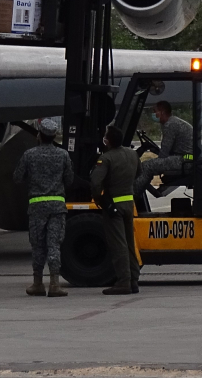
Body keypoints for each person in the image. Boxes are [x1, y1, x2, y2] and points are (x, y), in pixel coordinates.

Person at [12, 118, 74, 297]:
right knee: (54, 245)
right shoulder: (63, 155)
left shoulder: (29, 155)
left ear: (39, 135)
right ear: (54, 136)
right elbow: (70, 179)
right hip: (57, 206)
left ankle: (37, 283)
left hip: (37, 207)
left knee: (38, 246)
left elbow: (17, 177)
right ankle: (54, 284)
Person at [90, 126, 140, 295]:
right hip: (129, 203)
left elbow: (95, 182)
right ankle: (133, 280)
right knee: (129, 243)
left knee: (119, 244)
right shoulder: (132, 154)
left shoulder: (106, 158)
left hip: (114, 207)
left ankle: (123, 282)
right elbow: (139, 173)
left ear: (108, 141)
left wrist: (98, 198)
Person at [134, 101, 194, 197]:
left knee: (147, 166)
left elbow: (165, 152)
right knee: (152, 164)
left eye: (155, 111)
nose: (153, 114)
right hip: (185, 159)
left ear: (162, 112)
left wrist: (158, 160)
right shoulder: (173, 122)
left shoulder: (170, 124)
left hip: (184, 160)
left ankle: (133, 195)